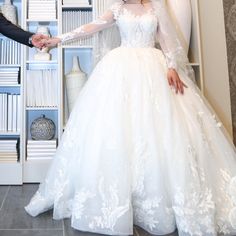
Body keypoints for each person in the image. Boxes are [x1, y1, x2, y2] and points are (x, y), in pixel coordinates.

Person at [25, 0, 236, 235]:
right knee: (119, 131)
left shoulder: (155, 8)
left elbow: (166, 40)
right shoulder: (118, 8)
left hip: (153, 69)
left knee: (160, 131)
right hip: (121, 70)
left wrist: (172, 66)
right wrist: (57, 39)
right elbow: (90, 27)